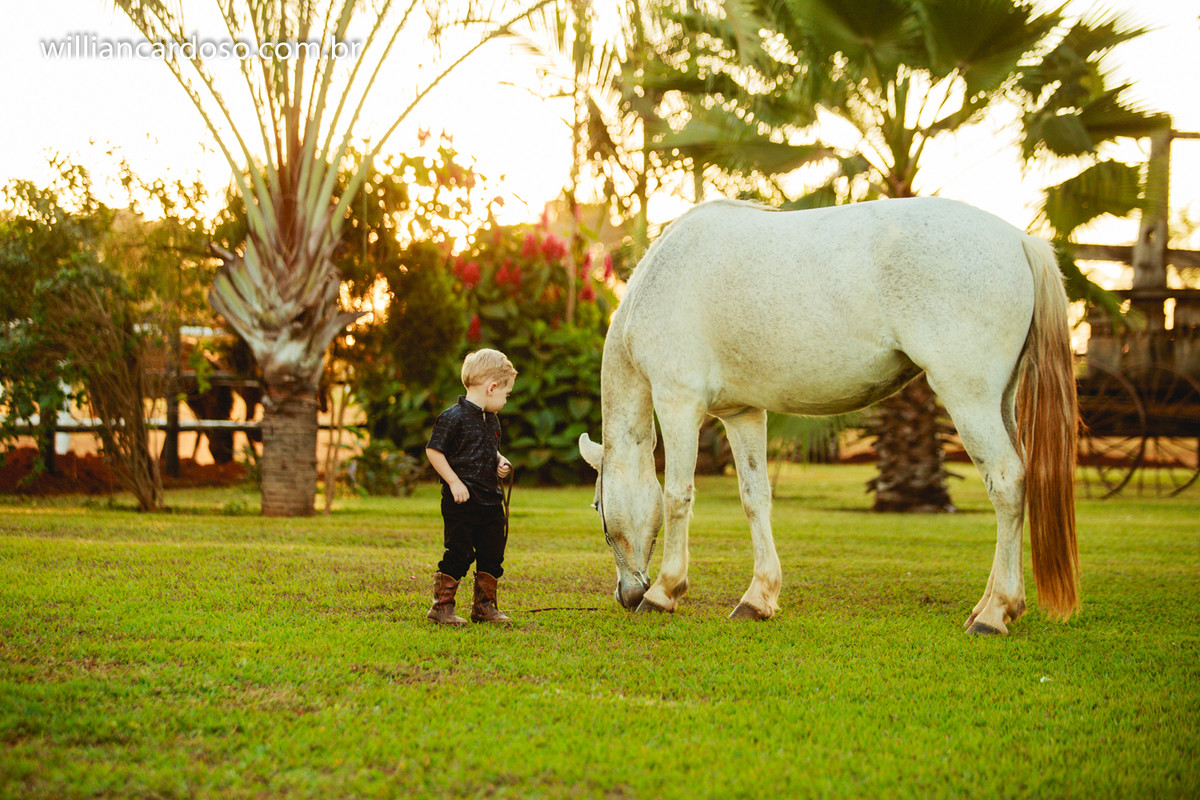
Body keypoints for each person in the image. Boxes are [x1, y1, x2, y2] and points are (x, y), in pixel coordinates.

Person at [424, 349, 517, 626]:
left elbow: (489, 451)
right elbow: (434, 451)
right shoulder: (452, 417)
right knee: (460, 552)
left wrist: (500, 461)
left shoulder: (493, 420)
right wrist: (454, 482)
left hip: (490, 500)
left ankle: (484, 607)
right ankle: (441, 608)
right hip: (462, 502)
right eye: (506, 394)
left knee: (492, 553)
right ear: (492, 388)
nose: (505, 400)